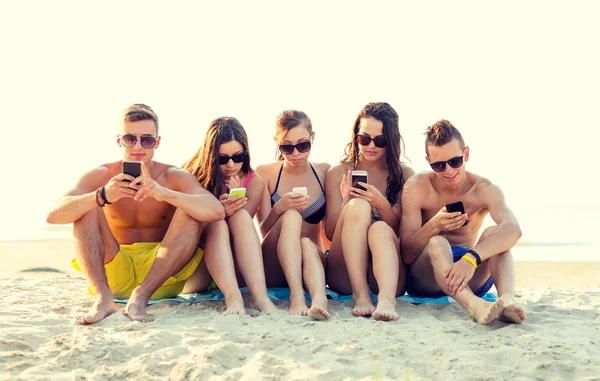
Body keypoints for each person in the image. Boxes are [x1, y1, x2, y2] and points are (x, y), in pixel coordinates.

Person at [46, 104, 245, 324]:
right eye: (130, 139)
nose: (138, 146)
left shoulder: (173, 176)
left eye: (147, 140)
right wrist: (102, 195)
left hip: (161, 275)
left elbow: (215, 211)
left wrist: (163, 193)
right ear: (119, 140)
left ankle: (140, 297)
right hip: (114, 271)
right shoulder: (102, 175)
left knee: (190, 209)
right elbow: (54, 215)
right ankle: (103, 299)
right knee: (85, 206)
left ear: (157, 142)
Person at [400, 119, 526, 324]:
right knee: (437, 241)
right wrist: (434, 225)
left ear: (465, 154)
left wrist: (470, 259)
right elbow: (406, 254)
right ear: (428, 161)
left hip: (468, 272)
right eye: (439, 165)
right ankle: (474, 305)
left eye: (455, 162)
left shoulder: (483, 189)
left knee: (496, 235)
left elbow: (513, 230)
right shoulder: (417, 187)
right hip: (427, 276)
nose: (449, 171)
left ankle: (507, 301)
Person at [325, 102, 414, 321]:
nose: (370, 146)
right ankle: (361, 294)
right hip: (345, 273)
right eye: (364, 138)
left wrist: (381, 204)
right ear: (355, 136)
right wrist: (347, 202)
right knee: (358, 206)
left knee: (381, 228)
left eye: (380, 141)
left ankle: (386, 299)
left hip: (388, 274)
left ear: (391, 142)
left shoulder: (405, 175)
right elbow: (328, 233)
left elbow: (405, 235)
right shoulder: (339, 172)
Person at [182, 116, 278, 313]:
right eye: (222, 159)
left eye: (238, 157)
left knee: (241, 216)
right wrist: (217, 208)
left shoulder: (255, 182)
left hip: (234, 266)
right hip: (197, 266)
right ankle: (233, 300)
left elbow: (241, 231)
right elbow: (185, 231)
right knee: (217, 222)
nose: (231, 165)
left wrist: (236, 200)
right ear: (210, 156)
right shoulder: (191, 175)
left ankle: (259, 298)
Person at [256, 110, 331, 319]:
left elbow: (329, 233)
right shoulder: (266, 173)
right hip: (275, 262)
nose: (296, 153)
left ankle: (319, 299)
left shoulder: (325, 172)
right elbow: (262, 230)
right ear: (276, 143)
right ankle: (296, 295)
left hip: (311, 262)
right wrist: (280, 208)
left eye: (303, 145)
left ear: (313, 138)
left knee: (307, 243)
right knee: (291, 216)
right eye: (287, 147)